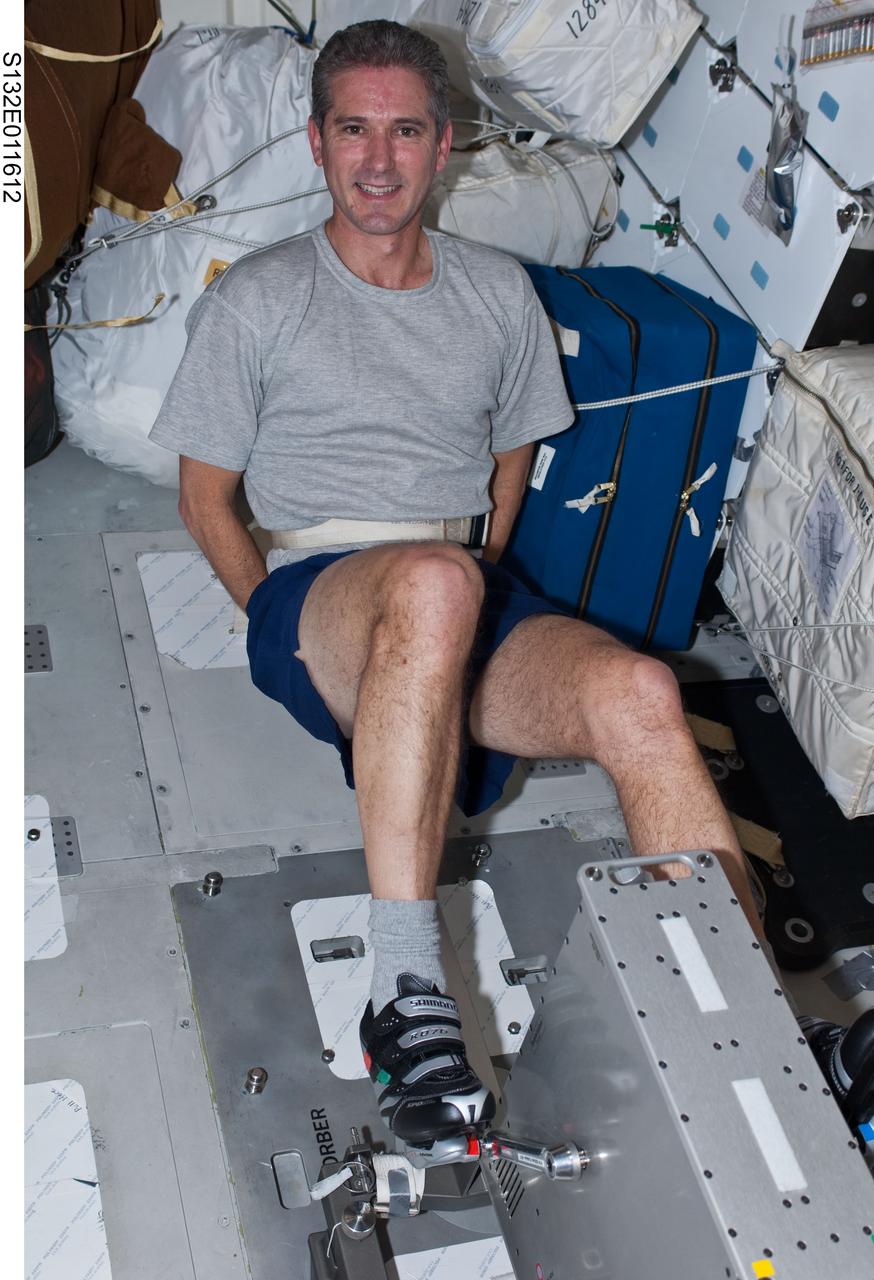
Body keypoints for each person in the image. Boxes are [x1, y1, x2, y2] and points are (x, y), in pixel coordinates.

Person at [150, 20, 871, 1159]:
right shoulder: (258, 297)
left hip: (455, 582)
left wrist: (472, 583)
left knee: (639, 692)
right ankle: (404, 995)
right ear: (317, 142)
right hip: (318, 582)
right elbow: (205, 498)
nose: (378, 159)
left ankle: (759, 1023)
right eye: (353, 129)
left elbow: (510, 463)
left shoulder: (496, 292)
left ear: (444, 148)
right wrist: (273, 624)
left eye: (405, 131)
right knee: (436, 583)